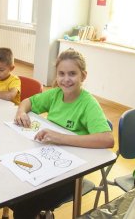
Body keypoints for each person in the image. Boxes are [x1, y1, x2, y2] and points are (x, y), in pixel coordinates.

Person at [11, 48, 114, 219]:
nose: (66, 79)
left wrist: (60, 138)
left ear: (83, 76)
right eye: (61, 74)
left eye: (72, 74)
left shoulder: (88, 103)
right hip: (45, 161)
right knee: (14, 190)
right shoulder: (55, 94)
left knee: (23, 202)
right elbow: (28, 101)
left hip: (70, 174)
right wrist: (21, 112)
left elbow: (107, 139)